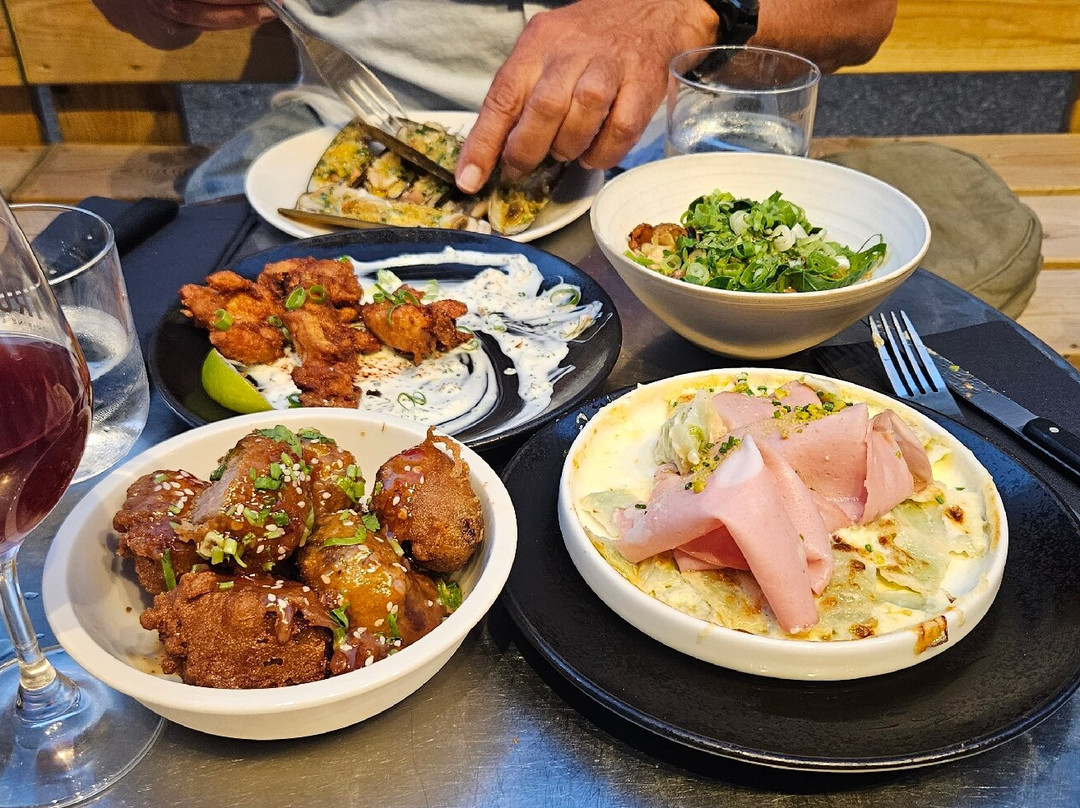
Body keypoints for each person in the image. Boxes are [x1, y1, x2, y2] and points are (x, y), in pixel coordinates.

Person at [93, 0, 897, 201]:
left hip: (665, 144)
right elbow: (133, 16)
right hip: (343, 133)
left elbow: (861, 17)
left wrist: (685, 14)